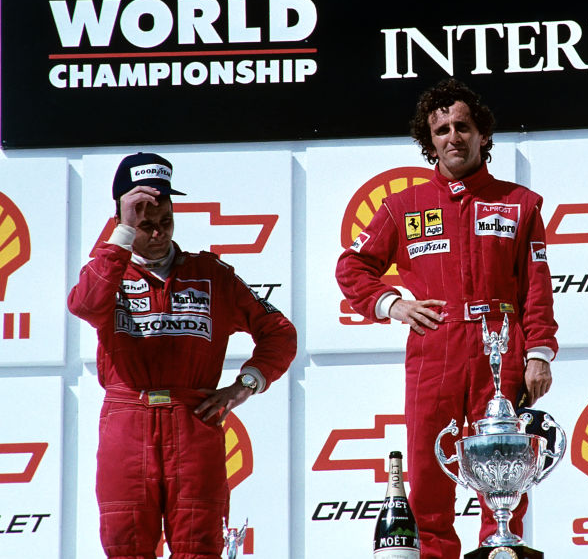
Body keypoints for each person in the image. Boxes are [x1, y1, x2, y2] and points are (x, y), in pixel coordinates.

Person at [336, 79, 558, 559]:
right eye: (441, 130)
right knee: (428, 479)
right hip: (434, 347)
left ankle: (500, 552)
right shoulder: (403, 205)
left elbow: (536, 288)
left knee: (503, 476)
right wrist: (393, 304)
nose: (452, 137)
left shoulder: (521, 203)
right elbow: (352, 267)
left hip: (500, 349)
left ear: (482, 135)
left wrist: (539, 353)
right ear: (429, 140)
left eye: (463, 126)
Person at [68, 152, 297, 559]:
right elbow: (84, 306)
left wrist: (244, 386)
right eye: (144, 223)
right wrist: (121, 235)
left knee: (199, 547)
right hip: (128, 419)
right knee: (125, 547)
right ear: (123, 219)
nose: (157, 233)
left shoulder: (212, 274)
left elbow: (279, 333)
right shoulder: (107, 271)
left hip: (194, 419)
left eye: (165, 221)